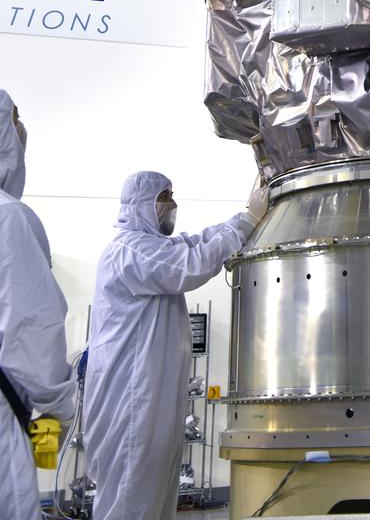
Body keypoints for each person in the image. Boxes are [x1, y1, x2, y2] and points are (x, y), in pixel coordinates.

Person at [83, 169, 269, 520]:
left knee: (151, 495)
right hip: (131, 402)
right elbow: (192, 264)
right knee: (130, 498)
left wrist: (247, 215)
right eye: (165, 197)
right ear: (143, 204)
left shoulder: (151, 246)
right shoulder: (130, 250)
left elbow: (196, 241)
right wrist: (247, 221)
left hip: (150, 399)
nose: (173, 204)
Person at [0, 89, 76, 520]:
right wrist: (55, 432)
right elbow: (38, 363)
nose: (22, 133)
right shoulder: (9, 219)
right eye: (14, 121)